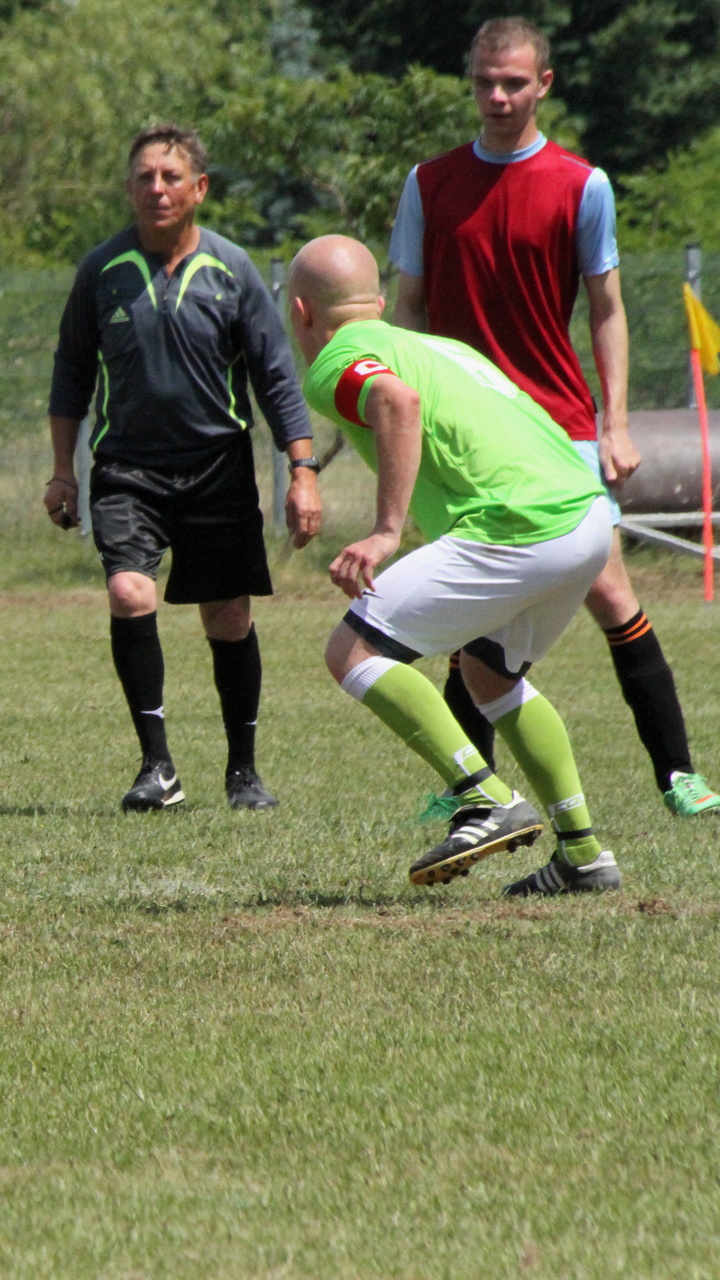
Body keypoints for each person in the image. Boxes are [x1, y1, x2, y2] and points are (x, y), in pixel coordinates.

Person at [391, 16, 720, 819]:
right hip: (463, 431)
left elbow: (607, 309)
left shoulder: (582, 184)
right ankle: (473, 791)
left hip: (559, 423)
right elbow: (408, 311)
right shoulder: (428, 184)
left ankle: (678, 775)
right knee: (479, 602)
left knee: (608, 587)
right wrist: (408, 409)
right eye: (484, 82)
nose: (497, 96)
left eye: (513, 83)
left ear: (543, 84)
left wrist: (615, 422)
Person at [294, 234, 619, 896]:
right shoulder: (443, 348)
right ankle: (583, 854)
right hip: (586, 516)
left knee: (353, 651)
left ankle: (484, 798)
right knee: (490, 673)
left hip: (515, 524)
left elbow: (396, 402)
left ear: (300, 311)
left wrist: (386, 532)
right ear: (378, 302)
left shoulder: (334, 361)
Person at [46, 124, 322, 813]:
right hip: (127, 468)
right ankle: (157, 767)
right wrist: (61, 471)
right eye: (144, 177)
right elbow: (71, 372)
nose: (157, 188)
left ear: (199, 188)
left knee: (227, 616)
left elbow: (275, 377)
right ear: (128, 188)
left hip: (216, 470)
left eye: (171, 177)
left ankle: (243, 772)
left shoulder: (232, 269)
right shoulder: (102, 270)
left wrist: (303, 471)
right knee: (128, 593)